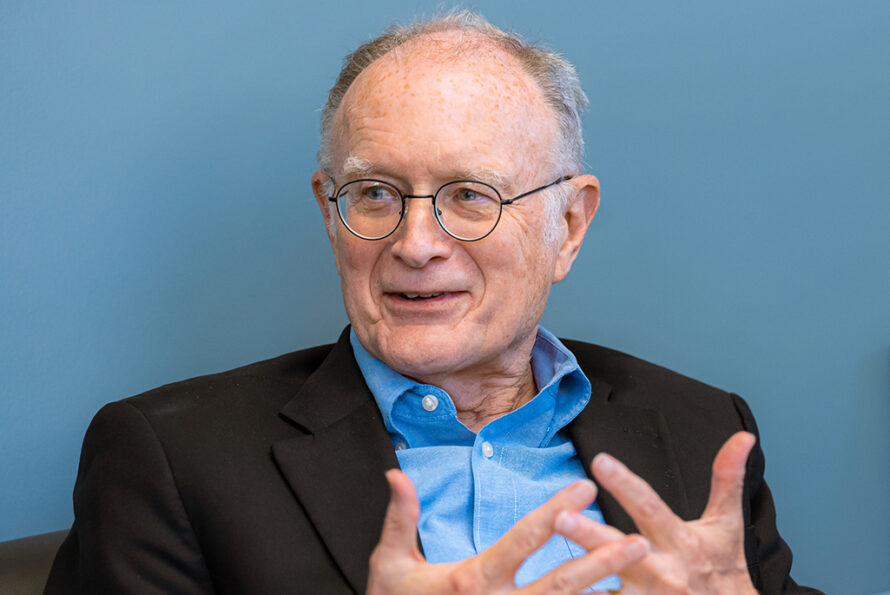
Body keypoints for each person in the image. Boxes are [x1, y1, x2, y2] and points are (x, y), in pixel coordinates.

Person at [45, 11, 820, 594]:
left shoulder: (705, 432)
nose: (416, 242)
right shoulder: (171, 459)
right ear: (329, 211)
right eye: (376, 192)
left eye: (469, 194)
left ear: (569, 226)